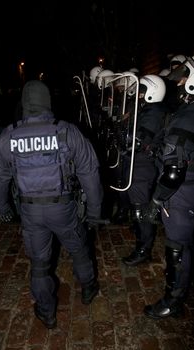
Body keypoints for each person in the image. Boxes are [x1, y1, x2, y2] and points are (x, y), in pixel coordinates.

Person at [0, 80, 103, 329]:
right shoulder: (66, 131)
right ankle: (88, 288)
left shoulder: (9, 135)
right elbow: (90, 174)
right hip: (63, 208)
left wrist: (3, 208)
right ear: (48, 101)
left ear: (25, 103)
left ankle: (47, 312)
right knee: (79, 249)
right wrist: (94, 213)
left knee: (39, 264)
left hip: (30, 211)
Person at [143, 56, 194, 319]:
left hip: (181, 194)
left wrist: (157, 201)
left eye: (183, 80)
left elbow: (174, 172)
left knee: (177, 249)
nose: (179, 85)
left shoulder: (185, 118)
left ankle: (172, 302)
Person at [121, 74, 167, 266]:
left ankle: (143, 249)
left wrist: (123, 135)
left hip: (142, 164)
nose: (138, 93)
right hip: (134, 162)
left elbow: (139, 140)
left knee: (141, 210)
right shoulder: (143, 109)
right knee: (134, 205)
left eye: (142, 90)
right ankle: (140, 235)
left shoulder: (153, 112)